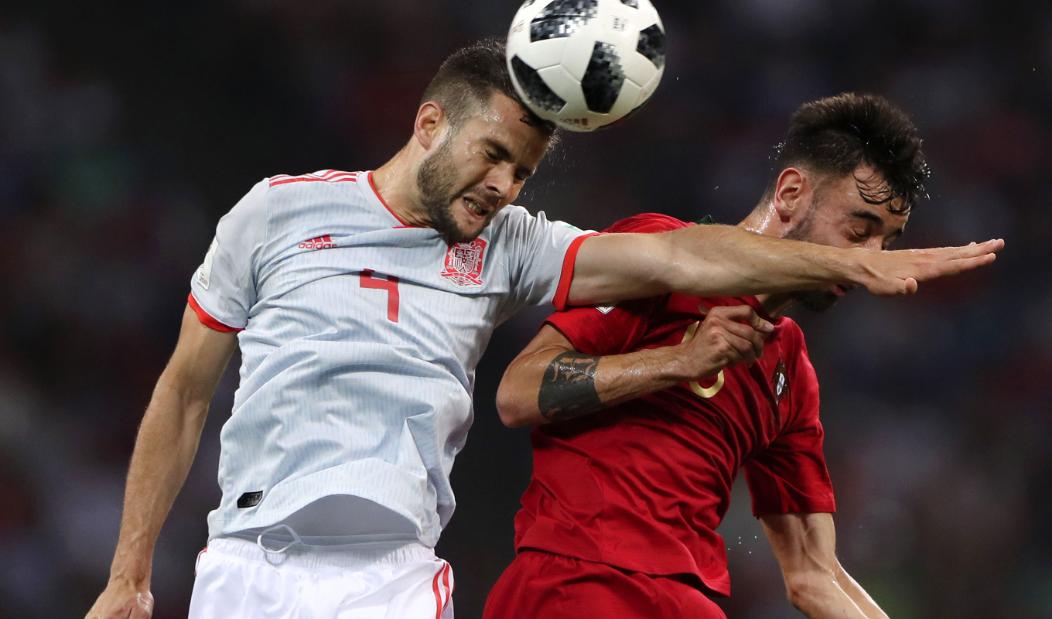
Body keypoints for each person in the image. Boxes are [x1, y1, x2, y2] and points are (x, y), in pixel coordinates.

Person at [85, 38, 999, 619]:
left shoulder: (510, 247)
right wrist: (129, 573)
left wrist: (850, 261)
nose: (504, 186)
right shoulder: (274, 214)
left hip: (393, 576)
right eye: (494, 156)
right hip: (248, 558)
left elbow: (688, 260)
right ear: (429, 122)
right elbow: (184, 390)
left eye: (523, 172)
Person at [484, 92, 950, 618]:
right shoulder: (659, 257)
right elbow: (517, 392)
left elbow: (814, 577)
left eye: (885, 245)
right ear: (792, 193)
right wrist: (677, 361)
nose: (872, 263)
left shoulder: (789, 369)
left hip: (689, 601)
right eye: (859, 231)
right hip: (580, 581)